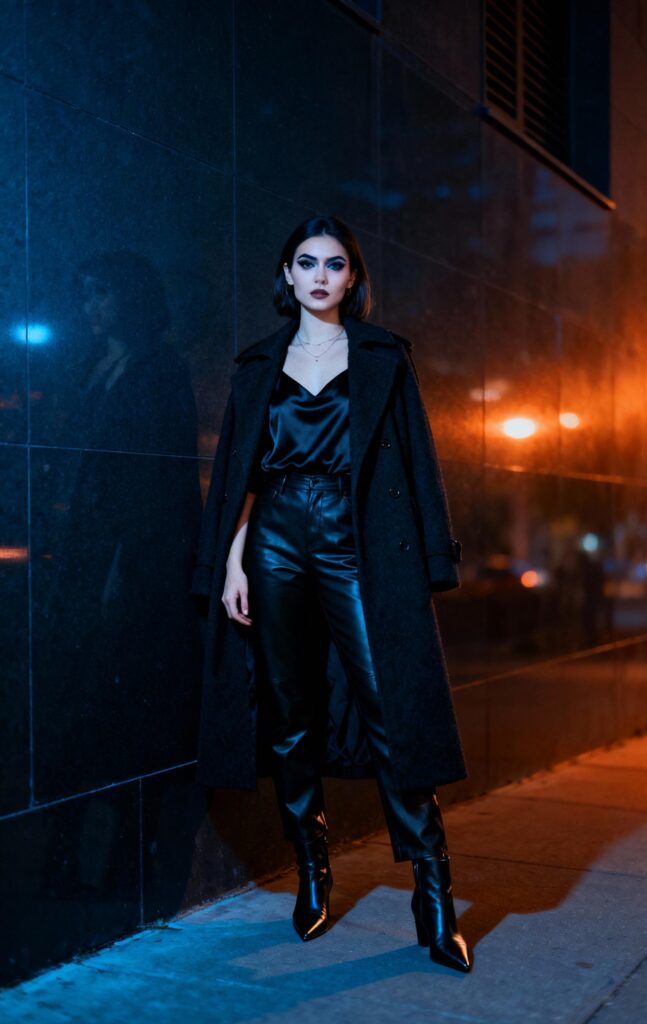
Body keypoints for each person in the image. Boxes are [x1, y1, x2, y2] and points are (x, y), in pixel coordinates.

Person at [192, 215, 471, 972]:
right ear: (286, 275)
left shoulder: (382, 355)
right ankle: (311, 865)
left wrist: (433, 557)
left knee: (390, 706)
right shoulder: (257, 363)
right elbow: (244, 475)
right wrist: (233, 561)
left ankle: (431, 885)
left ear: (353, 278)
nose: (320, 276)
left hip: (357, 541)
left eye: (335, 264)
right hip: (277, 534)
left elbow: (417, 460)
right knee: (288, 709)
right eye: (306, 263)